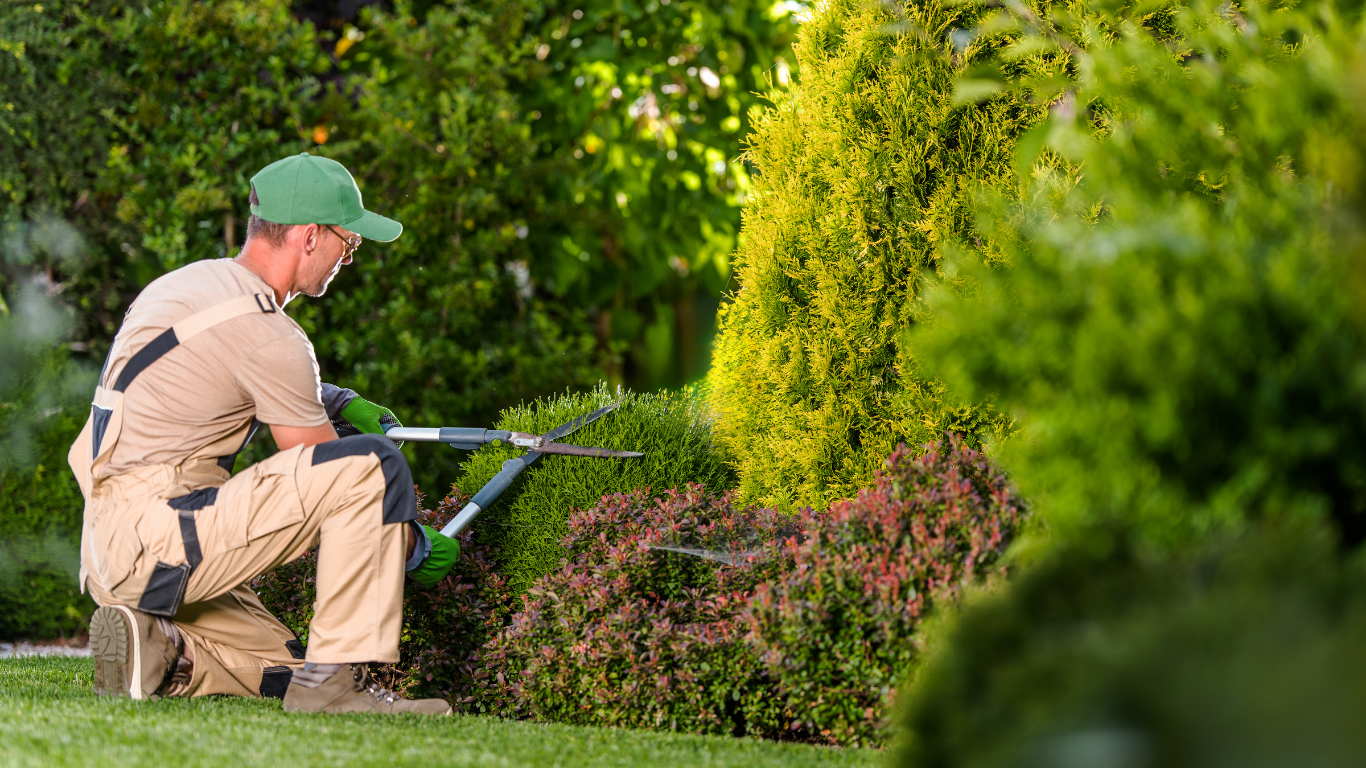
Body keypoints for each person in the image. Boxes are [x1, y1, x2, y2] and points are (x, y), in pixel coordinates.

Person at [67, 153, 460, 714]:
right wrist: (413, 547)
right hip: (162, 540)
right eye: (348, 243)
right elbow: (332, 481)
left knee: (289, 665)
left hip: (113, 547)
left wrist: (340, 401)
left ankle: (163, 649)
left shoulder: (190, 286)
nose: (349, 258)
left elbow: (215, 378)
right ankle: (331, 692)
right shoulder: (271, 334)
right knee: (373, 466)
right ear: (306, 236)